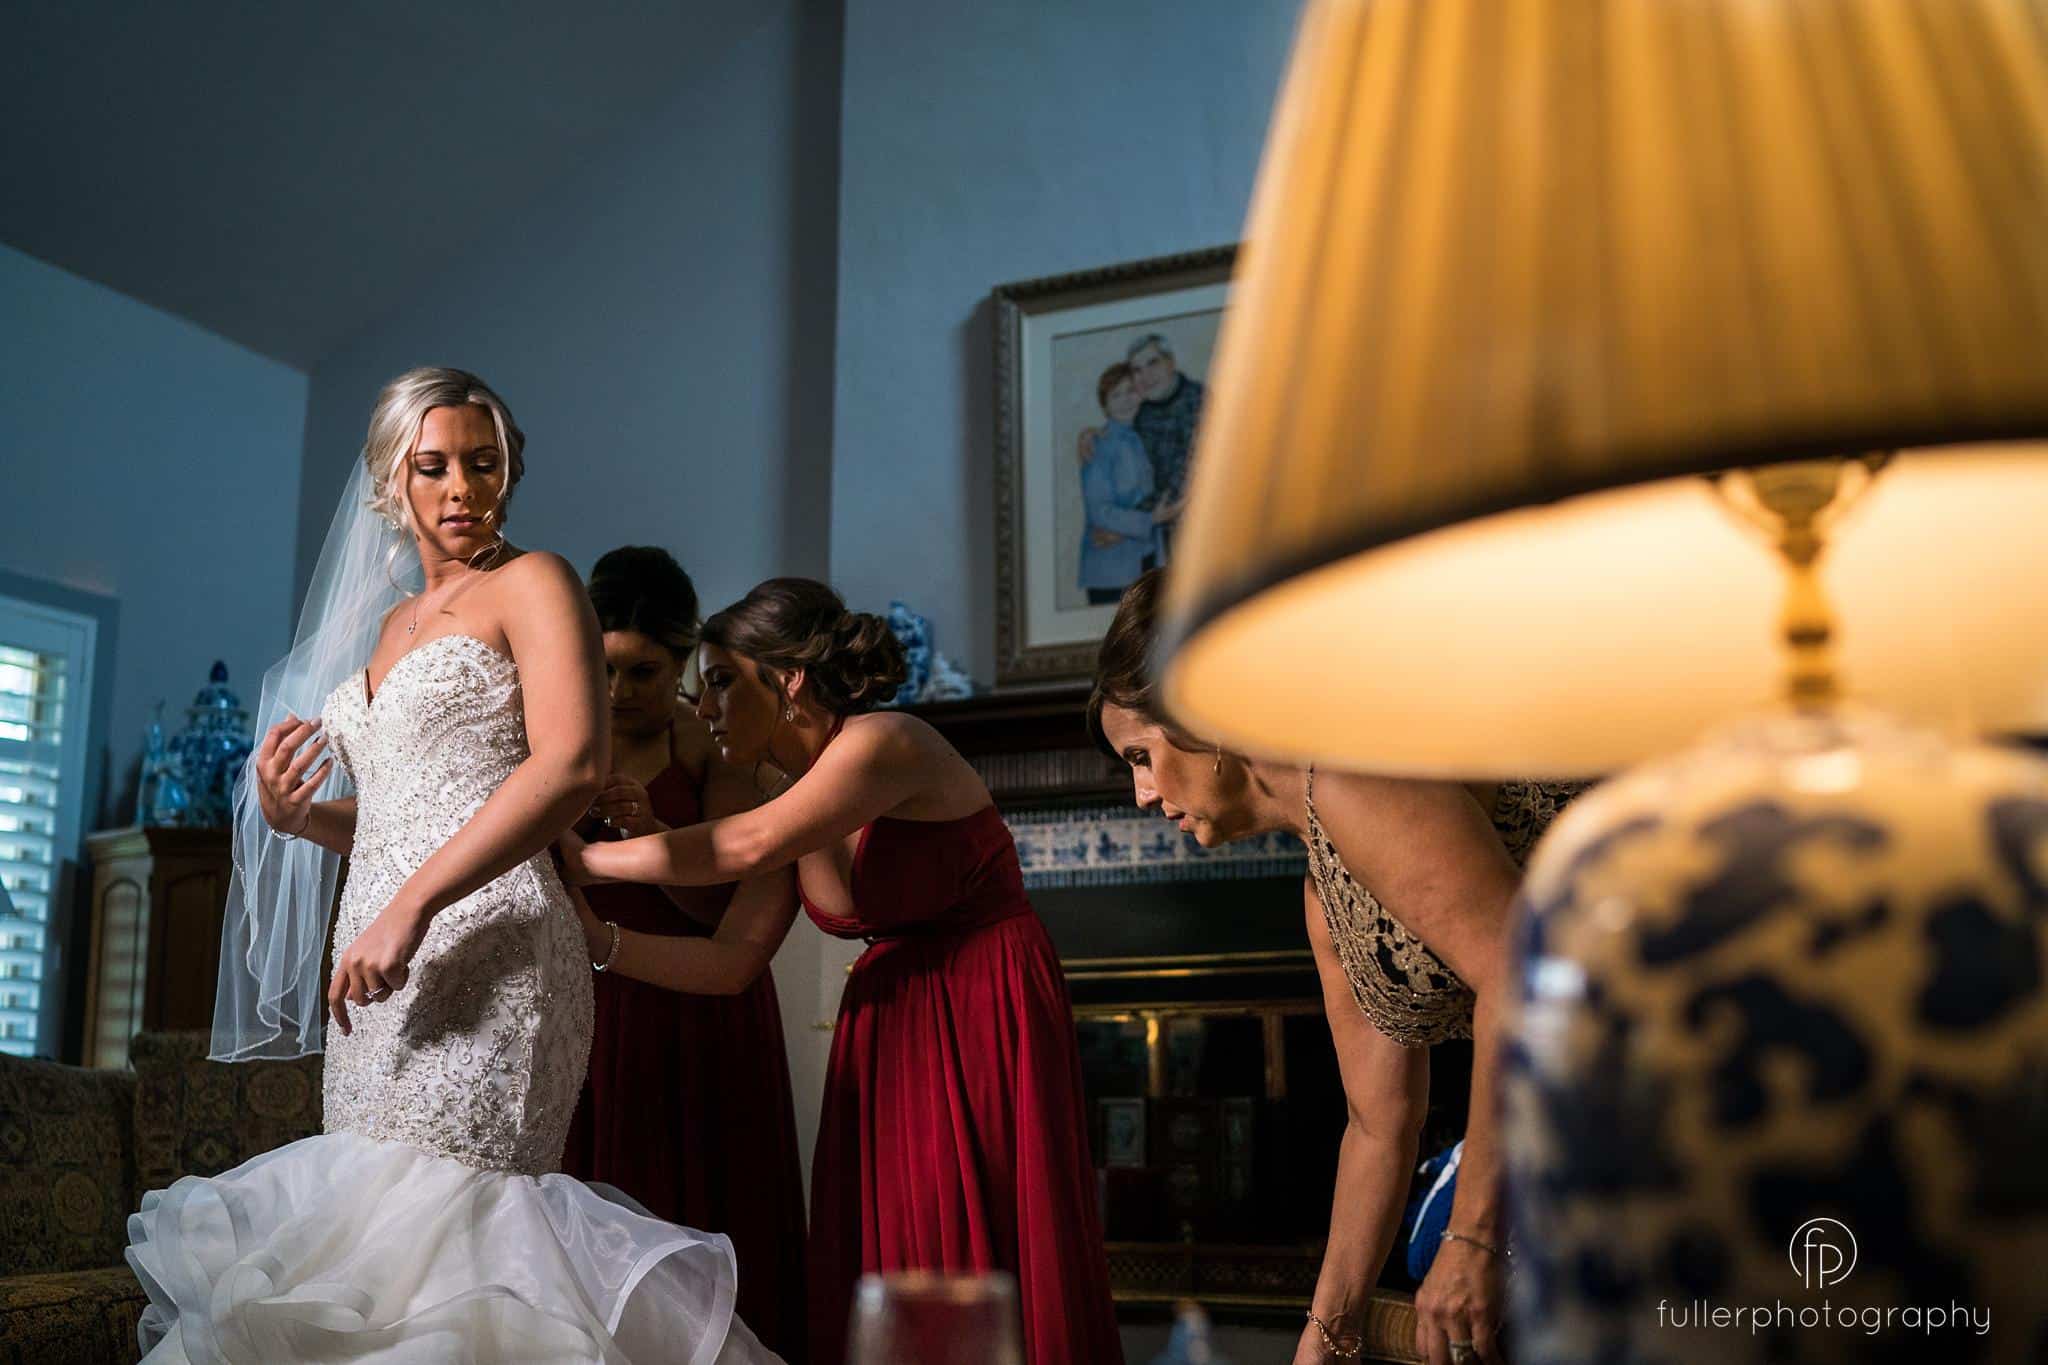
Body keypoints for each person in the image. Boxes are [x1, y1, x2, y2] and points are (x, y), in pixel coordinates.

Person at [143, 368, 778, 1363]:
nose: (460, 489)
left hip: (494, 947)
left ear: (509, 471)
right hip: (379, 970)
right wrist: (302, 816)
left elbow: (570, 765)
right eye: (431, 466)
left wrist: (411, 908)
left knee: (467, 1223)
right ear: (389, 481)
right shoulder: (387, 624)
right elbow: (409, 812)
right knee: (373, 1237)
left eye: (482, 465)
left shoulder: (536, 584)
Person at [556, 577, 1123, 1365]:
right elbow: (731, 960)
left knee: (986, 1248)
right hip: (889, 1031)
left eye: (720, 681)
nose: (705, 708)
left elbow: (743, 845)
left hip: (985, 1004)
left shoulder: (885, 741)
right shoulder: (788, 796)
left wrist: (584, 860)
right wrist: (599, 938)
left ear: (786, 679)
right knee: (893, 1256)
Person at [1086, 569, 1581, 1365]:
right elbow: (1379, 1123)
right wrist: (1326, 1335)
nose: (1142, 794)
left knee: (1454, 1263)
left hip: (1660, 1020)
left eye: (1140, 755)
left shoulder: (1351, 777)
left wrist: (1475, 1239)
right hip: (1574, 1085)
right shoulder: (1324, 889)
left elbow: (1522, 975)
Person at [560, 545, 809, 1361]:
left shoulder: (707, 745)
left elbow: (721, 905)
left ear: (681, 664)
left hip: (690, 1004)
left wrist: (652, 835)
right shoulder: (561, 733)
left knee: (693, 1205)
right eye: (603, 668)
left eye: (644, 672)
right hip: (590, 1000)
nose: (619, 692)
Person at [1078, 333, 1207, 557]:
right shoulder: (1143, 408)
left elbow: (1180, 483)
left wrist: (1122, 531)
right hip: (1155, 543)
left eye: (1152, 363)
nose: (1145, 375)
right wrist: (1091, 434)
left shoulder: (1199, 403)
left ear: (1171, 363)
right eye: (1137, 370)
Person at [1078, 362, 1168, 603]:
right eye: (1116, 395)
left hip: (1148, 561)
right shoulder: (1098, 445)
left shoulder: (1148, 435)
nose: (1125, 400)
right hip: (1111, 572)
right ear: (1104, 405)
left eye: (1130, 391)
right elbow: (1100, 512)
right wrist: (1149, 520)